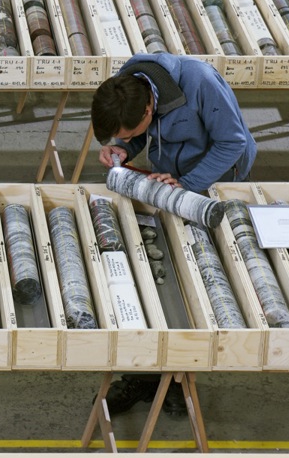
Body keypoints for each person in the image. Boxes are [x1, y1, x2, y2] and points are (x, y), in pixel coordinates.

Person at [91, 51, 257, 416]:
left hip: (213, 180)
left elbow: (233, 144)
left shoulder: (200, 83)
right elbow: (138, 135)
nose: (129, 136)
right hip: (172, 179)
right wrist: (121, 148)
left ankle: (179, 381)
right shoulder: (130, 84)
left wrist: (187, 185)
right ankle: (149, 377)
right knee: (161, 276)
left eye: (129, 131)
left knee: (196, 278)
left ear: (148, 110)